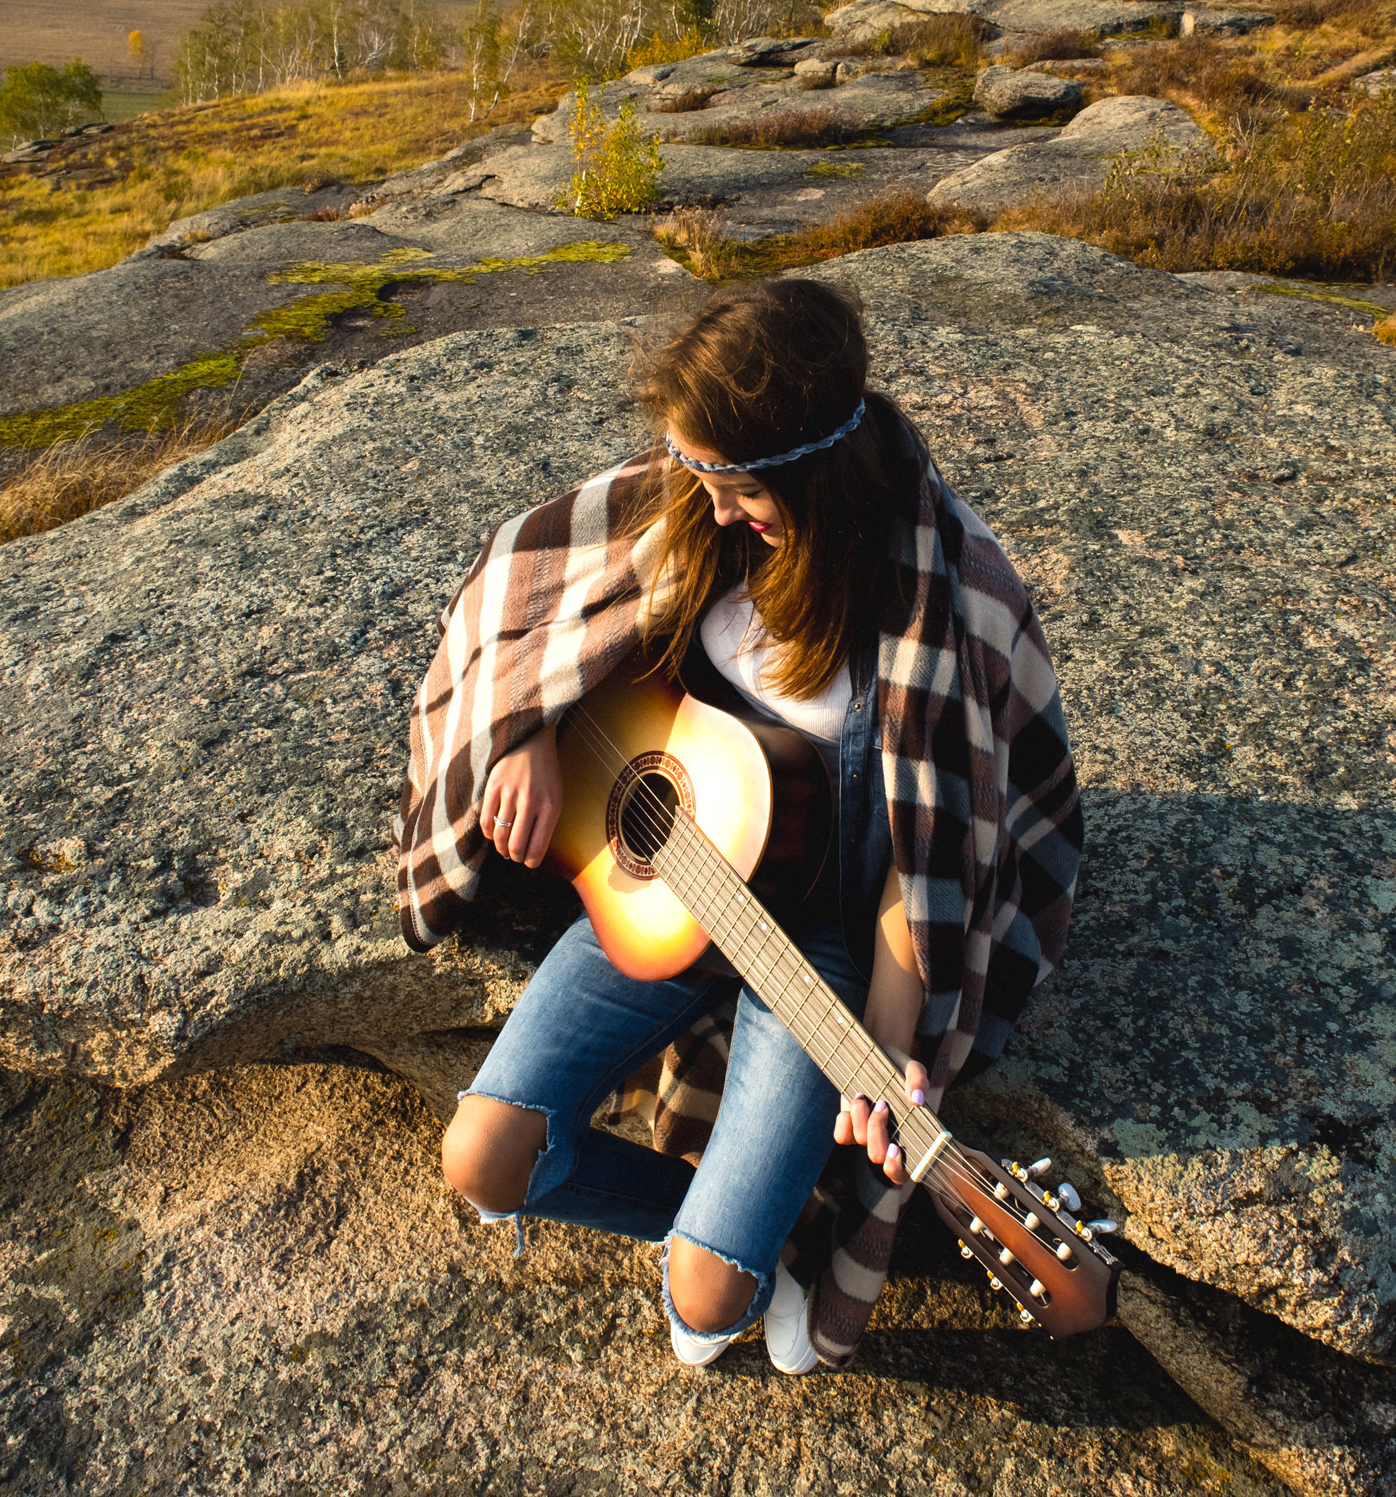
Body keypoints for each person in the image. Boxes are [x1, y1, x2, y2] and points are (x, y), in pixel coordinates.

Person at [397, 278, 1082, 1373]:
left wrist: (888, 1046)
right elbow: (525, 599)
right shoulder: (693, 499)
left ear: (816, 467)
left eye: (741, 489)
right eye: (702, 479)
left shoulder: (944, 602)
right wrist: (528, 729)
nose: (712, 509)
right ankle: (734, 1216)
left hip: (818, 936)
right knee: (482, 1158)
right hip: (660, 891)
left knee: (707, 1303)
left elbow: (931, 858)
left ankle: (754, 1246)